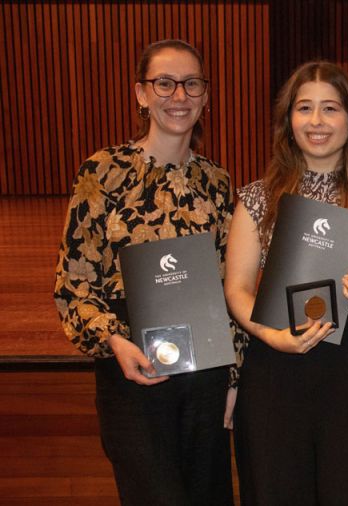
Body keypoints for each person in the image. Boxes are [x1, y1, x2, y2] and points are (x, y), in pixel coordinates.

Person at [54, 39, 236, 505]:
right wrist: (114, 341)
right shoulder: (102, 172)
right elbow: (74, 285)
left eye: (191, 84)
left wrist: (233, 379)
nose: (179, 95)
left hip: (205, 376)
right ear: (141, 93)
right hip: (131, 368)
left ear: (205, 96)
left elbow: (229, 290)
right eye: (164, 83)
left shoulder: (217, 182)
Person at [224, 60, 348, 505]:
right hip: (274, 361)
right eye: (304, 108)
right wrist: (271, 336)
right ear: (289, 121)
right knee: (276, 490)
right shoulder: (257, 198)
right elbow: (237, 288)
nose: (316, 120)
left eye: (330, 108)